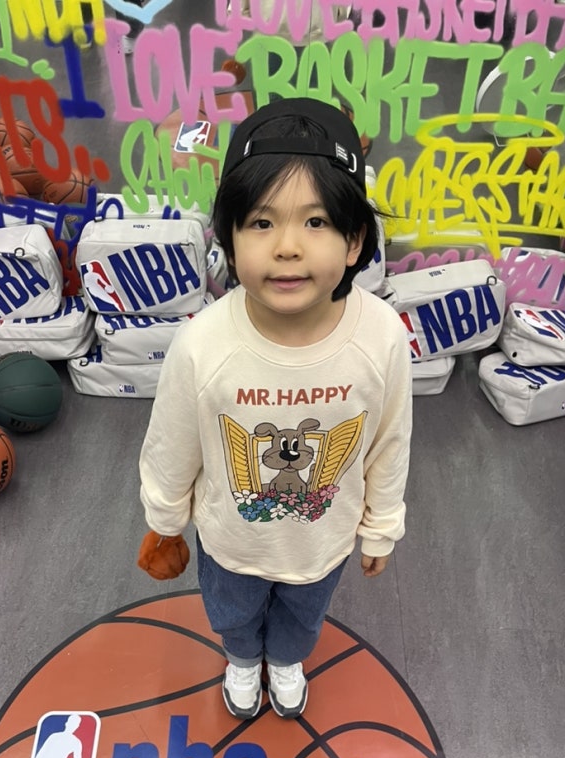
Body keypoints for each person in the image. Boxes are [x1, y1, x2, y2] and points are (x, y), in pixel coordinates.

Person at [137, 98, 412, 721]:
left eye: (316, 222)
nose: (287, 247)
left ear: (355, 240)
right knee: (232, 612)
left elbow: (390, 441)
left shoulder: (381, 338)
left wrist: (382, 524)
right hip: (231, 538)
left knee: (302, 617)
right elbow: (172, 442)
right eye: (261, 222)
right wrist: (165, 519)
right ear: (230, 241)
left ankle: (285, 660)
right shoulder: (203, 343)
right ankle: (241, 659)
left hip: (321, 540)